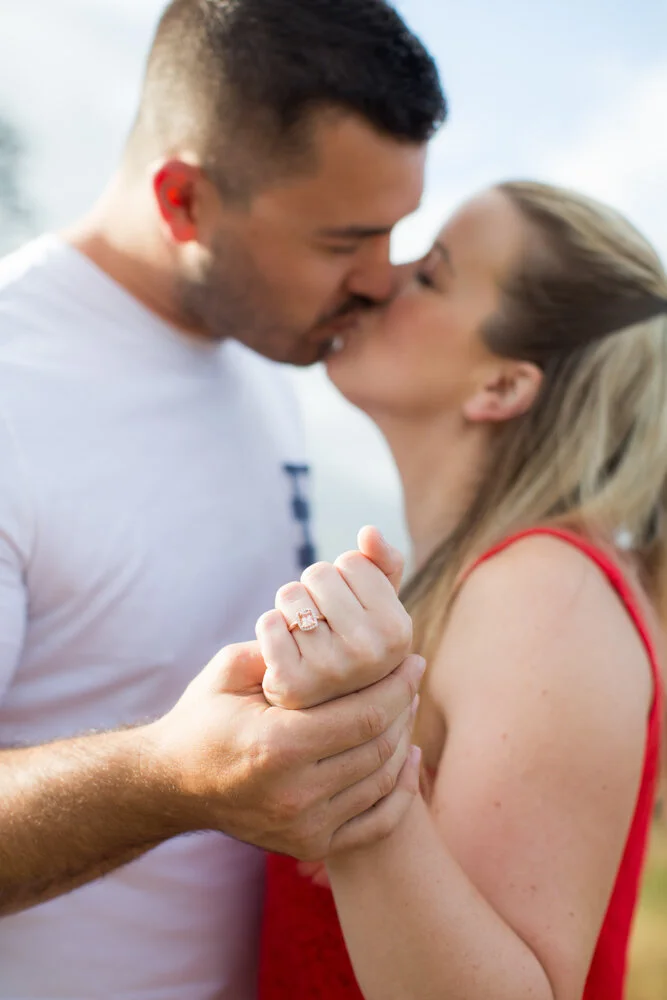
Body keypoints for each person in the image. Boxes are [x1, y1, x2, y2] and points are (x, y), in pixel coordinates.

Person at [0, 0, 446, 996]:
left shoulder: (262, 354)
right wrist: (170, 780)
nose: (381, 280)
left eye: (395, 232)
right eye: (344, 240)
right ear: (185, 201)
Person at [258, 181, 667, 1000]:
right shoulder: (500, 583)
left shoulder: (542, 593)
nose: (380, 276)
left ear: (501, 388)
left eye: (431, 273)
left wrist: (348, 755)